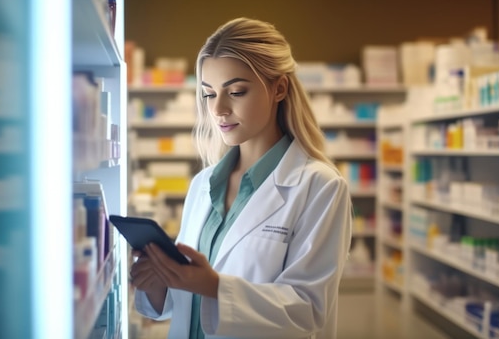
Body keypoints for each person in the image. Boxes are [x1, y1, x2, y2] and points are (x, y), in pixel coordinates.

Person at [129, 17, 353, 339]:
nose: (218, 108)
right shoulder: (203, 185)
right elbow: (186, 305)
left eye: (235, 91)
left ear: (279, 88)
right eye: (208, 94)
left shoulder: (321, 188)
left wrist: (215, 287)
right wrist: (159, 284)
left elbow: (308, 309)